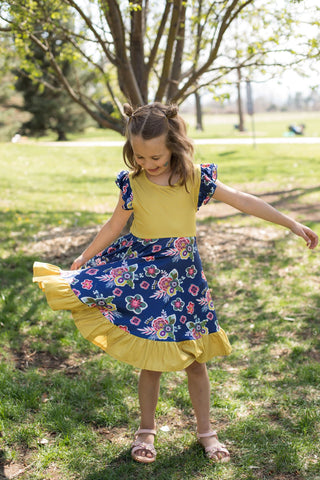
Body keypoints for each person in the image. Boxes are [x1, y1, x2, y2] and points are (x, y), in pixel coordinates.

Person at [33, 102, 318, 465]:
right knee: (151, 358)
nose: (149, 163)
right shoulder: (134, 184)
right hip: (146, 278)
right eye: (139, 156)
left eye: (156, 156)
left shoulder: (195, 178)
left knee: (195, 361)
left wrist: (291, 223)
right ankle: (146, 431)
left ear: (174, 144)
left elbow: (244, 201)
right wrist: (84, 258)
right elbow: (113, 226)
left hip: (184, 281)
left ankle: (206, 432)